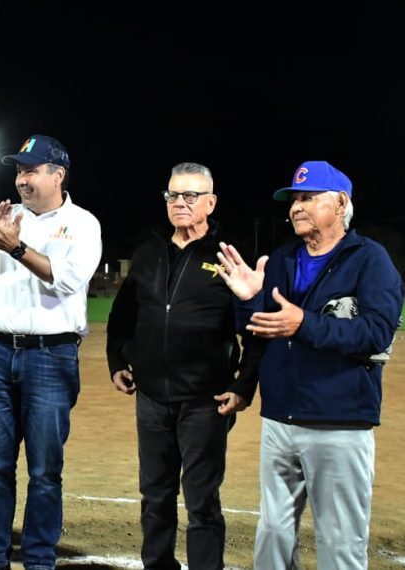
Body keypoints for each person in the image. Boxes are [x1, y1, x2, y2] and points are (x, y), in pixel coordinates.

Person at [216, 161, 404, 569]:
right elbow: (261, 333)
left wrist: (304, 324)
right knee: (273, 532)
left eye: (309, 197)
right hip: (280, 419)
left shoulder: (369, 260)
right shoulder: (283, 260)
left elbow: (376, 333)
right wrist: (248, 301)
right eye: (294, 199)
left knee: (339, 539)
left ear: (341, 203)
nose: (297, 206)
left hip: (339, 420)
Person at [106, 163, 263, 570]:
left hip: (205, 401)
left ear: (211, 202)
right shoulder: (148, 253)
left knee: (202, 501)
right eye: (173, 195)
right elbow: (123, 316)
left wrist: (243, 385)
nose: (180, 203)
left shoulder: (228, 255)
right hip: (151, 398)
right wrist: (117, 360)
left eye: (191, 196)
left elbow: (255, 330)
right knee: (155, 496)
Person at [0, 134, 102, 570]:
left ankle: (39, 559)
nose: (22, 179)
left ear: (58, 175)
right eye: (19, 171)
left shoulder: (82, 223)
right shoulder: (7, 218)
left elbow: (67, 280)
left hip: (51, 356)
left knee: (44, 471)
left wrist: (15, 247)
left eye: (31, 170)